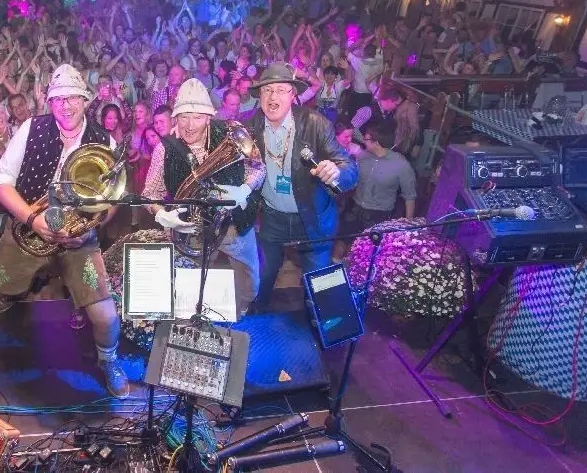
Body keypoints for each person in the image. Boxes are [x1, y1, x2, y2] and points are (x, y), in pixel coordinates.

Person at [0, 63, 128, 398]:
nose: (66, 106)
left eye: (73, 98)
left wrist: (90, 227)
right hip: (27, 229)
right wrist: (32, 220)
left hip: (78, 239)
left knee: (106, 317)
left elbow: (112, 199)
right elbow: (1, 183)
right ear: (49, 103)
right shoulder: (30, 129)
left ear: (85, 100)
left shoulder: (103, 139)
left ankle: (108, 361)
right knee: (0, 294)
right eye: (59, 99)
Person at [141, 79, 265, 316]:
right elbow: (149, 194)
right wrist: (161, 214)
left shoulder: (232, 133)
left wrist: (245, 190)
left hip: (234, 226)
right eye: (183, 117)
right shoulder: (164, 148)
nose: (189, 125)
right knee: (190, 294)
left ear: (209, 117)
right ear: (175, 118)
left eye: (197, 117)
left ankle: (235, 324)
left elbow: (258, 168)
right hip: (191, 230)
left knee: (250, 287)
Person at [244, 63, 358, 310]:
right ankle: (258, 323)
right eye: (267, 90)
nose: (273, 97)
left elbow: (350, 168)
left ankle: (318, 332)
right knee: (262, 276)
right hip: (272, 219)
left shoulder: (315, 123)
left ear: (293, 94)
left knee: (317, 286)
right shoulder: (250, 127)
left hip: (312, 220)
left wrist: (337, 171)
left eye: (281, 90)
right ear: (259, 96)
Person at [352, 121, 417, 229]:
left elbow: (410, 195)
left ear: (376, 142)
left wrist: (408, 223)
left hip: (379, 215)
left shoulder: (401, 165)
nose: (363, 140)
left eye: (366, 139)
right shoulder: (362, 156)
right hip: (355, 207)